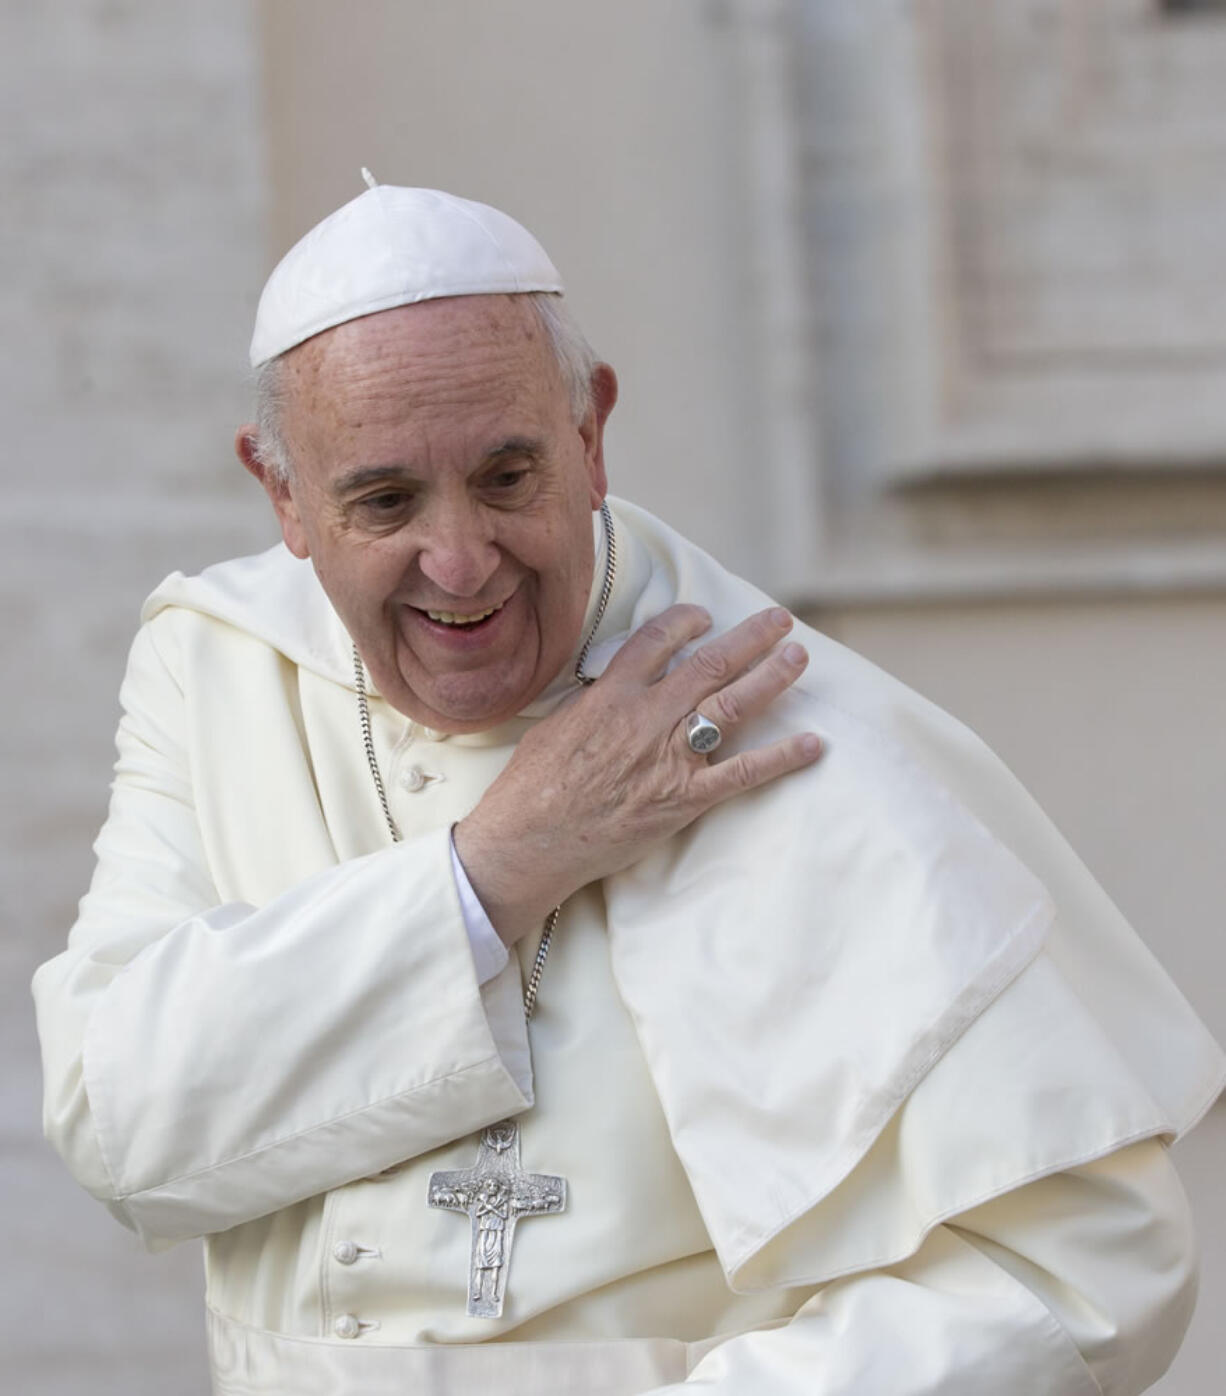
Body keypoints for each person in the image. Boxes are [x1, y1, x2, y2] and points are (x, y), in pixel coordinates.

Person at [33, 180, 1225, 1396]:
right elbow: (119, 1130)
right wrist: (494, 867)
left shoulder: (783, 730)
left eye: (506, 478)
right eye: (384, 499)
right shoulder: (216, 664)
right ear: (281, 493)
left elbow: (1092, 1269)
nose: (457, 560)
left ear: (591, 432)